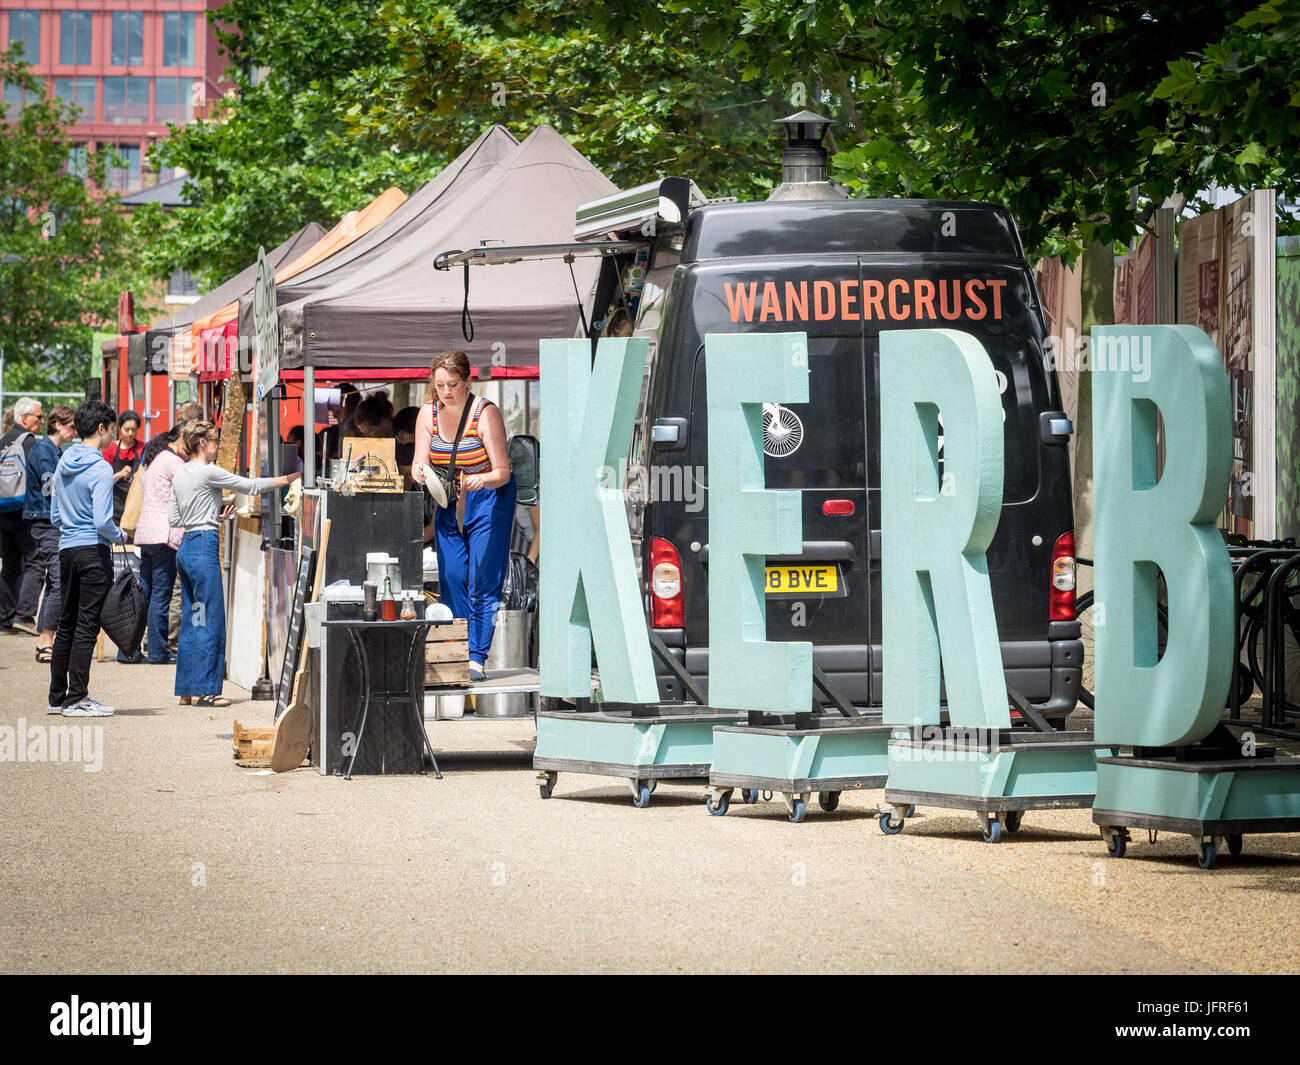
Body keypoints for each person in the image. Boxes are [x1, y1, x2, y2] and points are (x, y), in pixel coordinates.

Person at [169, 420, 300, 707]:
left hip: (186, 548)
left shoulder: (180, 474)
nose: (218, 446)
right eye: (215, 441)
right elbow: (250, 486)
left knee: (193, 619)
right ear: (202, 443)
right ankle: (208, 691)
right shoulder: (208, 471)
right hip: (203, 548)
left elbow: (174, 519)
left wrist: (209, 514)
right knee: (210, 620)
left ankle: (188, 689)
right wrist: (289, 478)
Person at [413, 350, 515, 682]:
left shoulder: (485, 413)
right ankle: (456, 647)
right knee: (453, 575)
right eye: (440, 385)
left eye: (452, 385)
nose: (445, 392)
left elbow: (503, 470)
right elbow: (420, 459)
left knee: (482, 578)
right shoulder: (427, 414)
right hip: (448, 498)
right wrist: (419, 471)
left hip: (488, 497)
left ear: (468, 381)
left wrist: (482, 479)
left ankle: (475, 657)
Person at [48, 400, 126, 717]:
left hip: (66, 548)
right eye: (112, 430)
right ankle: (78, 697)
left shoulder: (63, 461)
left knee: (65, 624)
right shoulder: (100, 467)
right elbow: (102, 522)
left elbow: (55, 515)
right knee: (87, 625)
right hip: (93, 551)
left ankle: (57, 697)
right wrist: (121, 536)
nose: (113, 437)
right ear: (101, 428)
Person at [23, 405, 76, 662]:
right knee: (58, 581)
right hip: (45, 522)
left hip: (46, 522)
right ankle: (46, 640)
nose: (75, 432)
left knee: (56, 581)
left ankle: (45, 639)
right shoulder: (45, 452)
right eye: (72, 426)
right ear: (58, 425)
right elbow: (50, 489)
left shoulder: (51, 451)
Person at [133, 425, 187, 665]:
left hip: (145, 533)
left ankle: (128, 649)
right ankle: (157, 651)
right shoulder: (173, 462)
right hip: (163, 533)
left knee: (144, 593)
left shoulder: (153, 459)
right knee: (161, 595)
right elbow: (193, 485)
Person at [0, 396, 44, 635]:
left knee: (9, 565)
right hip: (23, 510)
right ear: (24, 418)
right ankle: (24, 615)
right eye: (39, 416)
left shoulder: (3, 440)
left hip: (3, 509)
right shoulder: (27, 442)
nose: (42, 421)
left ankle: (4, 618)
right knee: (36, 561)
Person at [103, 410, 142, 524]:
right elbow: (104, 481)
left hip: (135, 505)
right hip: (115, 504)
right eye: (126, 429)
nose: (130, 433)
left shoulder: (142, 448)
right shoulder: (110, 449)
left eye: (134, 430)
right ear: (119, 428)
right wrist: (119, 475)